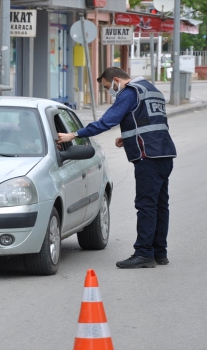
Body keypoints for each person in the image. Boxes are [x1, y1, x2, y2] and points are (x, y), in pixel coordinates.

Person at [57, 67, 176, 269]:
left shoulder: (129, 92)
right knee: (160, 205)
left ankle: (144, 253)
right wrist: (128, 137)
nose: (108, 91)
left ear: (116, 80)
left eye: (107, 86)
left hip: (148, 156)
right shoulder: (151, 90)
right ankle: (159, 252)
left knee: (146, 205)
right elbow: (150, 121)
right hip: (164, 154)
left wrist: (74, 135)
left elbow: (107, 121)